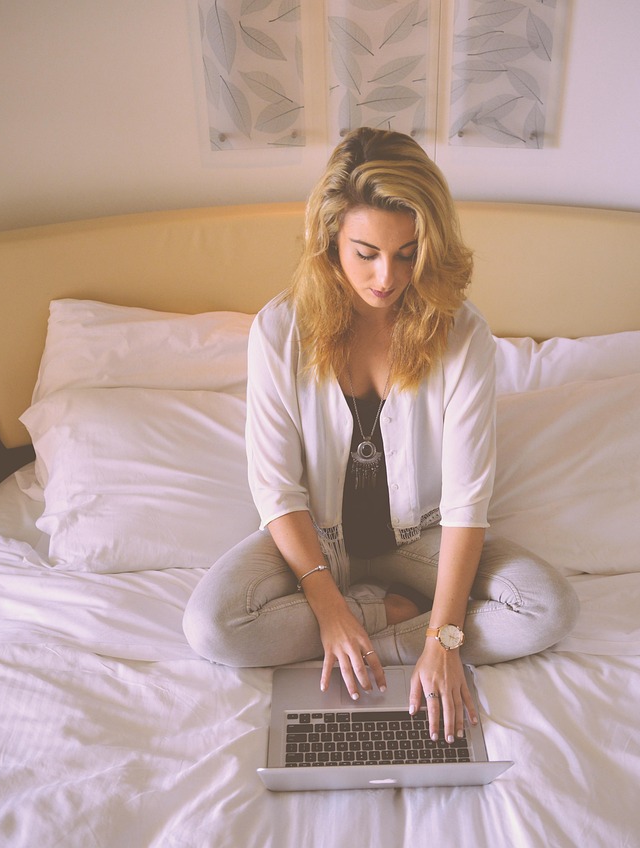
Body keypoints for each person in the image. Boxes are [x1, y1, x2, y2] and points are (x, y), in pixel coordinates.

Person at [184, 127, 577, 745]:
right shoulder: (280, 330)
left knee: (547, 608)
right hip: (316, 543)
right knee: (213, 626)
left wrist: (444, 640)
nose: (386, 277)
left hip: (423, 539)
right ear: (329, 240)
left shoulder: (462, 335)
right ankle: (386, 616)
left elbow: (467, 501)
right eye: (365, 253)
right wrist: (330, 609)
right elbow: (277, 489)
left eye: (407, 254)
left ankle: (396, 635)